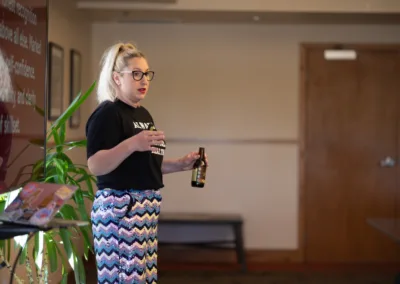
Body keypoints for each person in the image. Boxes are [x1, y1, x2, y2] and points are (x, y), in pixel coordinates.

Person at [86, 42, 208, 284]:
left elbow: (143, 165)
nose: (144, 80)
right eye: (136, 74)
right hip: (120, 211)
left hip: (145, 211)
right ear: (117, 78)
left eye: (147, 74)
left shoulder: (143, 114)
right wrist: (132, 143)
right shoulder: (108, 113)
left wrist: (181, 164)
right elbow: (96, 165)